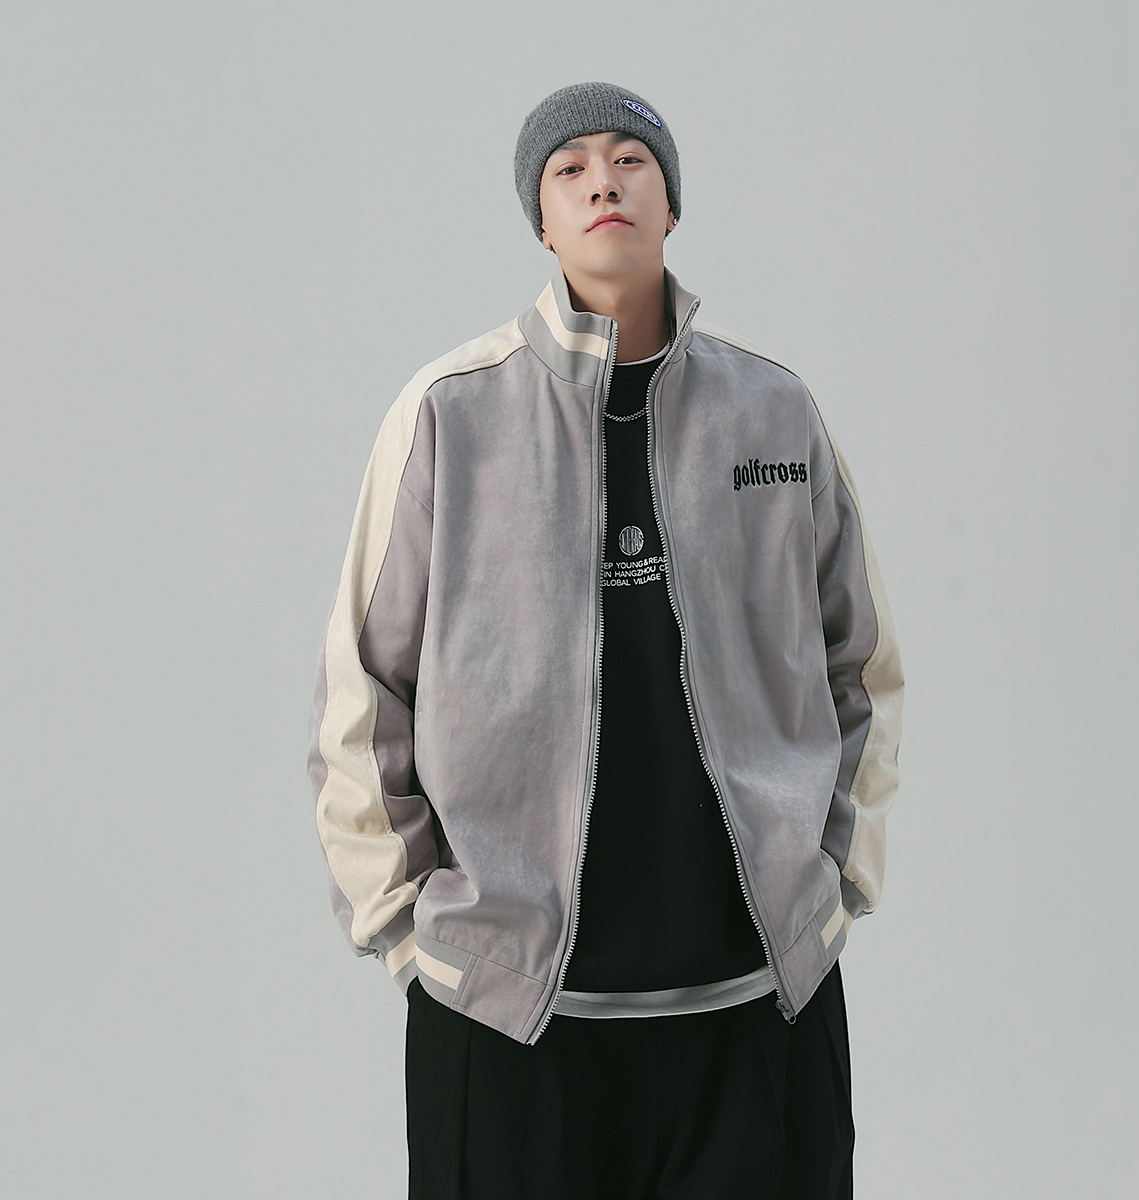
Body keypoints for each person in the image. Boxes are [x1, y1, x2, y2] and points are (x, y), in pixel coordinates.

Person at [308, 81, 903, 1199]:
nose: (602, 183)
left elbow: (858, 664)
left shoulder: (774, 412)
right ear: (541, 221)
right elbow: (362, 691)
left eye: (631, 160)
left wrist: (834, 877)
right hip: (512, 1029)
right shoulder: (448, 416)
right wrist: (413, 937)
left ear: (671, 203)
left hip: (759, 1012)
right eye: (569, 168)